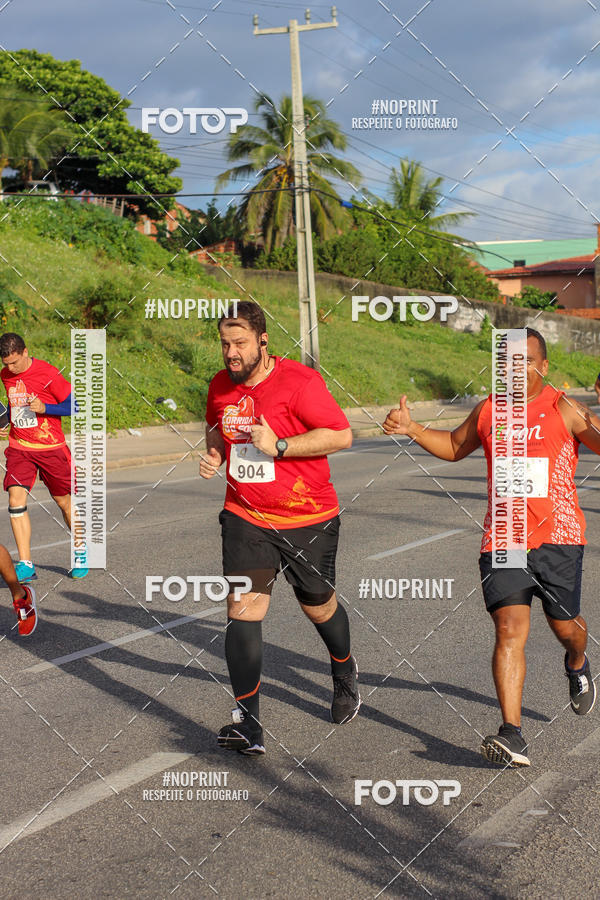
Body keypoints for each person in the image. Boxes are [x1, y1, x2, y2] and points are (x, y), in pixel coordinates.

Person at [383, 327, 596, 768]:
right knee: (509, 630)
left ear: (543, 366)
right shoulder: (489, 411)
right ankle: (511, 733)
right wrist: (413, 429)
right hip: (504, 536)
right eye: (504, 363)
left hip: (559, 537)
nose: (512, 370)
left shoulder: (564, 407)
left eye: (522, 361)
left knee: (564, 628)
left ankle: (577, 660)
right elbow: (456, 446)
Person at [199, 301, 359, 755]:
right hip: (246, 516)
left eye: (240, 343)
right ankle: (247, 723)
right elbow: (215, 425)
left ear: (264, 342)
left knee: (319, 607)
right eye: (225, 344)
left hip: (309, 517)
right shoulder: (220, 386)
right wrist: (214, 453)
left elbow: (341, 434)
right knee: (243, 609)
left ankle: (343, 669)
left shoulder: (300, 382)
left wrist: (280, 444)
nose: (230, 353)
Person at [0, 333, 88, 583]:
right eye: (6, 364)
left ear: (25, 352)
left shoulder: (48, 373)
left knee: (63, 503)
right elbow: (14, 405)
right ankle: (26, 564)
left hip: (51, 448)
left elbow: (75, 406)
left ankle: (80, 550)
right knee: (15, 498)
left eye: (14, 362)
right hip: (20, 448)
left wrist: (45, 408)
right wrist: (4, 422)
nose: (10, 368)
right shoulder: (5, 374)